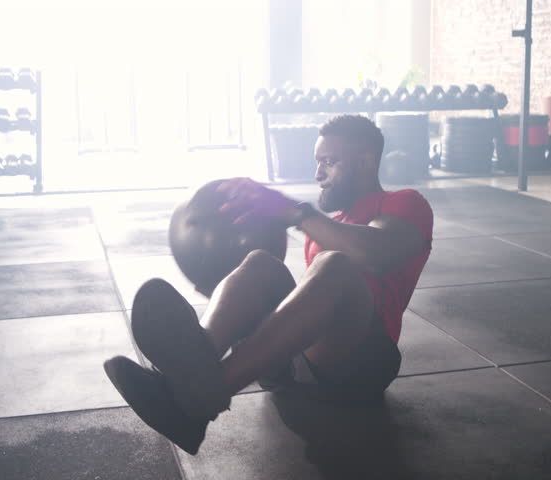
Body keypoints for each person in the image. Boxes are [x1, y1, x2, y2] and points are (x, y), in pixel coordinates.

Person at [104, 114, 433, 455]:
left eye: (329, 162)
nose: (318, 174)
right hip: (296, 365)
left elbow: (375, 254)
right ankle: (195, 366)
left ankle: (204, 395)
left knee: (334, 264)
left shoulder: (405, 204)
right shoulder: (324, 229)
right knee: (261, 262)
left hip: (362, 368)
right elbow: (304, 308)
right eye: (317, 163)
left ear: (365, 161)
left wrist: (293, 211)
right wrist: (230, 299)